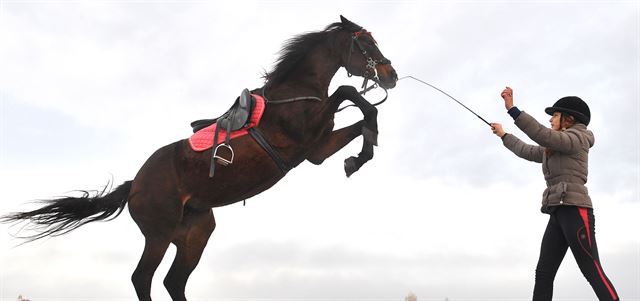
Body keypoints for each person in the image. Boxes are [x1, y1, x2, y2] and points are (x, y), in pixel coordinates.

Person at [490, 87, 619, 301]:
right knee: (544, 273)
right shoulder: (556, 145)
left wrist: (513, 110)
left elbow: (542, 134)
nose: (550, 120)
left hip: (576, 211)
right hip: (557, 211)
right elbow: (528, 151)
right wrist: (504, 135)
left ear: (568, 119)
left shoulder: (577, 139)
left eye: (555, 116)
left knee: (591, 270)